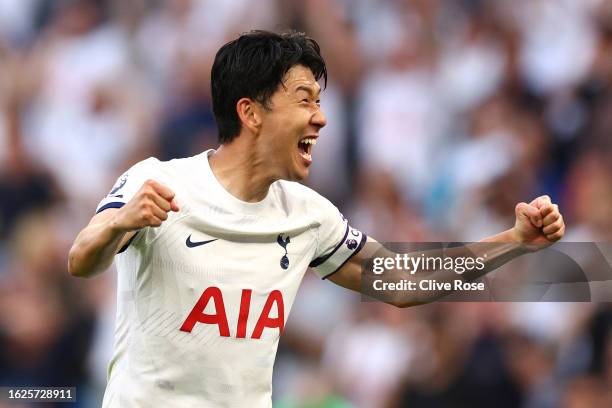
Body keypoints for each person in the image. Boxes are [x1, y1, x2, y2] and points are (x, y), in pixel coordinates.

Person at [67, 30, 565, 407]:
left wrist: (515, 240)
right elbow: (82, 261)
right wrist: (118, 224)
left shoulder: (307, 214)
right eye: (304, 100)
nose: (321, 118)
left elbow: (400, 283)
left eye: (321, 103)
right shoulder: (157, 180)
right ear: (252, 113)